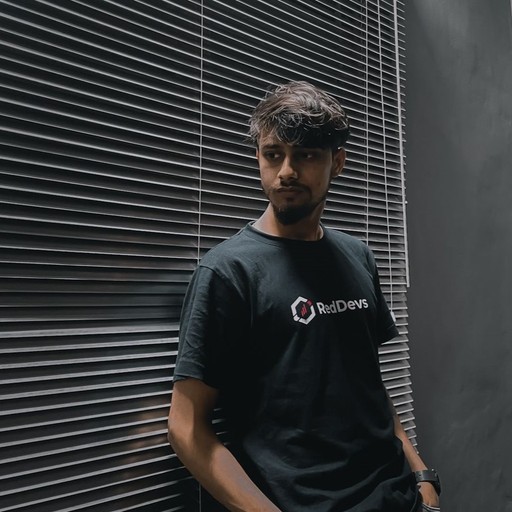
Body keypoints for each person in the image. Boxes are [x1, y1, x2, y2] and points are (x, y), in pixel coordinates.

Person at [168, 81, 441, 512]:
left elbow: (365, 382)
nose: (286, 171)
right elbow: (187, 428)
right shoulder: (228, 271)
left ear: (338, 162)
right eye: (273, 154)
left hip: (399, 498)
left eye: (306, 155)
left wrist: (422, 474)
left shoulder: (357, 255)